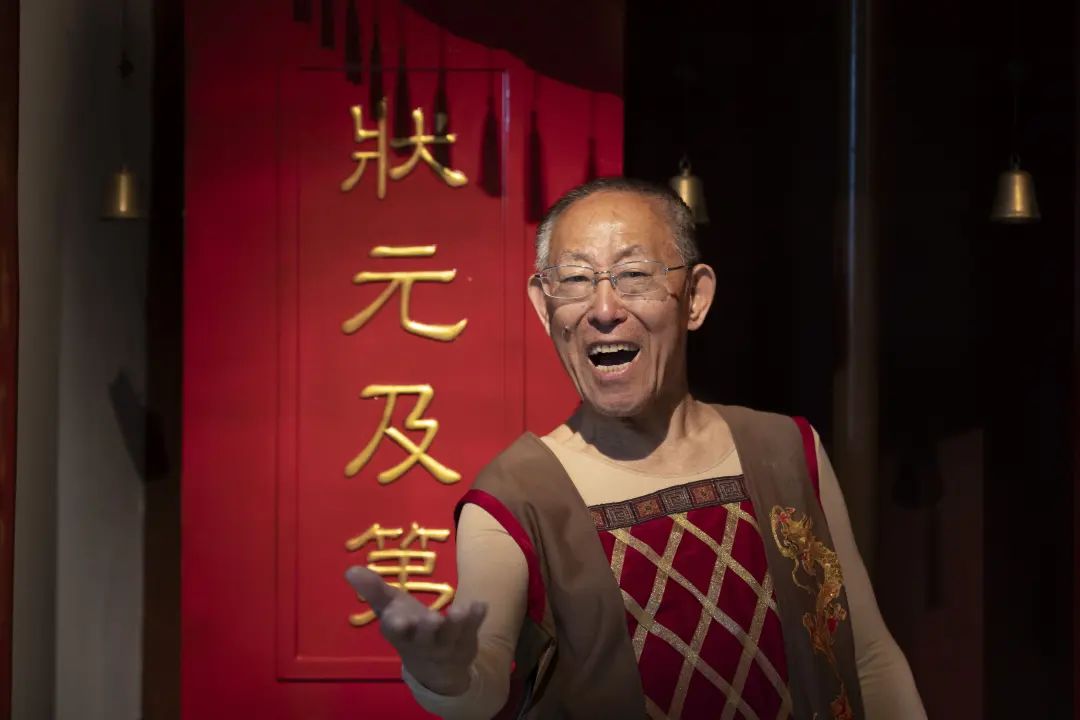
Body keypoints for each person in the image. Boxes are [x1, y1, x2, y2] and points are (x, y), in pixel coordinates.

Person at [347, 178, 926, 719]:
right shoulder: (514, 498)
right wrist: (444, 674)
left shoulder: (786, 449)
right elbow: (483, 681)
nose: (603, 309)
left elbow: (868, 657)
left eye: (633, 275)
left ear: (694, 298)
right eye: (575, 280)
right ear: (544, 305)